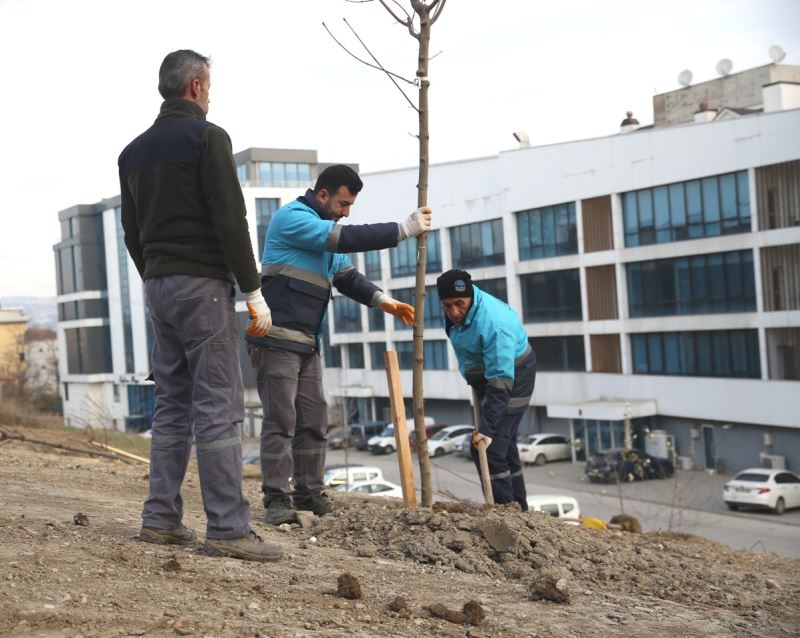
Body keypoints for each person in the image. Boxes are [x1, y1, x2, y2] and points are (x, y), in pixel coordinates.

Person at [118, 49, 281, 561]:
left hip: (159, 286)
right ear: (195, 87)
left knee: (172, 405)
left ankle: (161, 520)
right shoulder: (209, 138)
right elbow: (230, 219)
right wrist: (253, 290)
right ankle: (229, 529)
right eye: (208, 87)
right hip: (203, 287)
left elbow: (131, 230)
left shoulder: (132, 153)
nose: (210, 95)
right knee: (217, 407)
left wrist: (156, 277)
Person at [247, 164, 431, 524]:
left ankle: (308, 491)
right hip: (276, 342)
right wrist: (402, 230)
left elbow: (345, 275)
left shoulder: (322, 233)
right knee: (281, 422)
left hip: (307, 345)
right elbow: (342, 239)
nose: (346, 212)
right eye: (343, 204)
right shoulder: (293, 219)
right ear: (322, 195)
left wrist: (382, 300)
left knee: (314, 420)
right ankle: (276, 499)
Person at [436, 269, 535, 510]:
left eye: (459, 304)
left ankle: (504, 512)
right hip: (488, 378)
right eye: (447, 306)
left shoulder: (494, 324)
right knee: (505, 444)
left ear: (470, 297)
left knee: (488, 449)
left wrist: (487, 430)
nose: (454, 312)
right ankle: (519, 508)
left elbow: (501, 381)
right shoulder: (459, 312)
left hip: (514, 376)